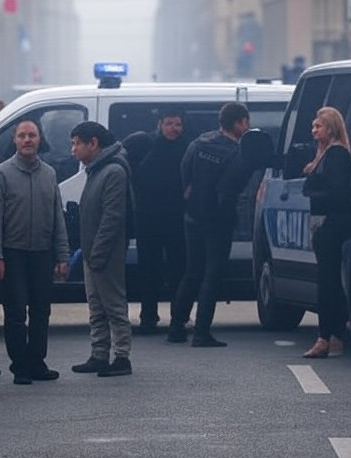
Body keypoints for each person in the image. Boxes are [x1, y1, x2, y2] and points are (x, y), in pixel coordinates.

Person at [0, 119, 69, 384]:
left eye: (32, 135)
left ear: (39, 139)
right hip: (12, 253)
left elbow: (57, 216)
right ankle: (20, 366)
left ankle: (37, 361)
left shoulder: (49, 173)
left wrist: (62, 255)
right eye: (22, 135)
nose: (27, 140)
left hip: (42, 253)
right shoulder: (1, 174)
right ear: (14, 140)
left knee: (41, 310)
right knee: (15, 312)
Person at [168, 102, 252, 347]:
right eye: (246, 121)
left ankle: (176, 327)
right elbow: (233, 188)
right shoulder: (237, 152)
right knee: (212, 274)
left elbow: (184, 170)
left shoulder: (199, 143)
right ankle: (202, 332)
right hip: (218, 219)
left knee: (192, 272)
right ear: (240, 122)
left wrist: (190, 192)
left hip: (192, 215)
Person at [69, 121, 134, 377]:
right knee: (96, 306)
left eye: (76, 143)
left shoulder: (113, 171)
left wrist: (97, 252)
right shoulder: (96, 169)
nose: (73, 150)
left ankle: (121, 357)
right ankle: (98, 353)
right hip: (91, 251)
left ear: (93, 143)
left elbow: (112, 217)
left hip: (105, 253)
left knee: (113, 305)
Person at [122, 109, 187, 334]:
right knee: (149, 271)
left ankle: (179, 318)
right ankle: (148, 318)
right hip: (148, 219)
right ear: (160, 124)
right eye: (169, 123)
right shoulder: (143, 145)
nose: (173, 129)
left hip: (176, 220)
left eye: (177, 124)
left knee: (178, 270)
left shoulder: (186, 148)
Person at [301, 107, 351, 359]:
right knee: (330, 280)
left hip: (331, 223)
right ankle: (337, 332)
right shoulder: (323, 155)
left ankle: (325, 336)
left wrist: (311, 188)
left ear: (331, 128)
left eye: (318, 126)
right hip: (324, 221)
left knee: (327, 281)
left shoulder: (336, 154)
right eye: (313, 126)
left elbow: (337, 190)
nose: (314, 131)